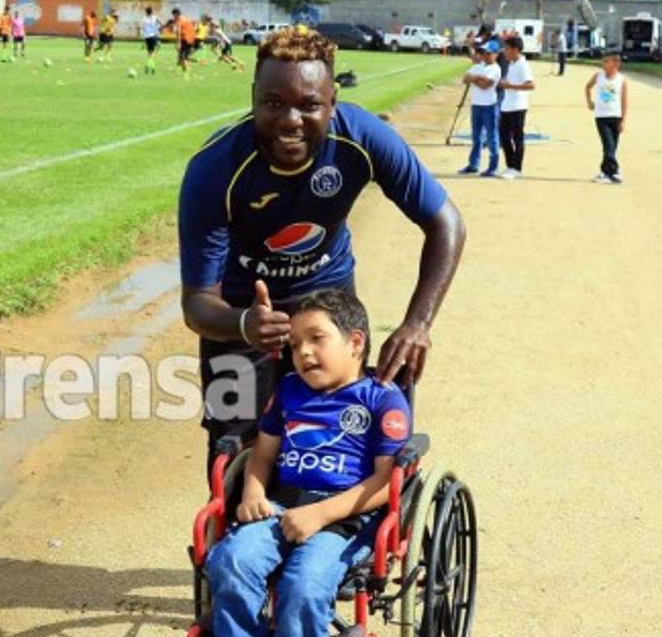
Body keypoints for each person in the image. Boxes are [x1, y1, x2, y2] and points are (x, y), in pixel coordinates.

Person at [176, 28, 465, 465]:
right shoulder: (214, 169)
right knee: (232, 449)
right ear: (253, 98)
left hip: (328, 303)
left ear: (333, 103)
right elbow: (197, 304)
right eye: (273, 103)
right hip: (241, 312)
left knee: (340, 437)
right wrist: (244, 323)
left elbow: (446, 223)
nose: (291, 120)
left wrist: (417, 324)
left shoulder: (362, 138)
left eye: (309, 105)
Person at [176, 288, 412, 637]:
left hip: (345, 520)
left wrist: (320, 514)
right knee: (231, 560)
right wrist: (252, 492)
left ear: (356, 342)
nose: (303, 353)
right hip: (282, 508)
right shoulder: (288, 392)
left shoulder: (382, 399)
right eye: (295, 344)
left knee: (303, 588)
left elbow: (387, 483)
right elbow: (262, 456)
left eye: (316, 339)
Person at [458, 40, 501, 177]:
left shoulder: (495, 68)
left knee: (491, 136)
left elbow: (485, 85)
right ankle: (474, 164)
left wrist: (473, 78)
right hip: (476, 105)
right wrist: (478, 78)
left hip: (489, 106)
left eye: (488, 53)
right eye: (483, 53)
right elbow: (465, 79)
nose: (485, 55)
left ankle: (493, 167)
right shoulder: (479, 65)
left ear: (496, 54)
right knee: (476, 136)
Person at [585, 51, 628, 184]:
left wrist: (623, 120)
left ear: (615, 64)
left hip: (616, 116)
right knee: (608, 144)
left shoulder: (622, 80)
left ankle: (605, 172)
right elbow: (587, 87)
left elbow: (624, 101)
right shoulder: (598, 76)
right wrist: (589, 101)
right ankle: (615, 172)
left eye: (606, 61)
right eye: (603, 61)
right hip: (601, 116)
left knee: (612, 147)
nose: (603, 64)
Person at [497, 35, 534, 180]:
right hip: (507, 105)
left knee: (517, 138)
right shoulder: (511, 64)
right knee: (504, 136)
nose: (504, 51)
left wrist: (510, 85)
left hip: (518, 106)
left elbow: (531, 85)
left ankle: (517, 168)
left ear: (515, 49)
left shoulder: (523, 65)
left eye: (506, 48)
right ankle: (510, 165)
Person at [171, 8, 196, 77]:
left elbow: (178, 32)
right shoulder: (185, 19)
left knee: (183, 58)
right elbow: (192, 28)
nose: (173, 16)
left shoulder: (179, 20)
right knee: (181, 56)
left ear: (176, 14)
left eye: (173, 15)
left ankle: (186, 73)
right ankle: (177, 70)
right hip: (191, 39)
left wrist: (178, 43)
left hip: (185, 40)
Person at [140, 6, 162, 74]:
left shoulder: (144, 19)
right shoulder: (154, 17)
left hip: (147, 37)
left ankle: (151, 66)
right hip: (154, 36)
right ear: (152, 12)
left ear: (146, 12)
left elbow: (142, 28)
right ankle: (149, 64)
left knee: (150, 52)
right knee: (157, 47)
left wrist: (143, 39)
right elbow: (161, 23)